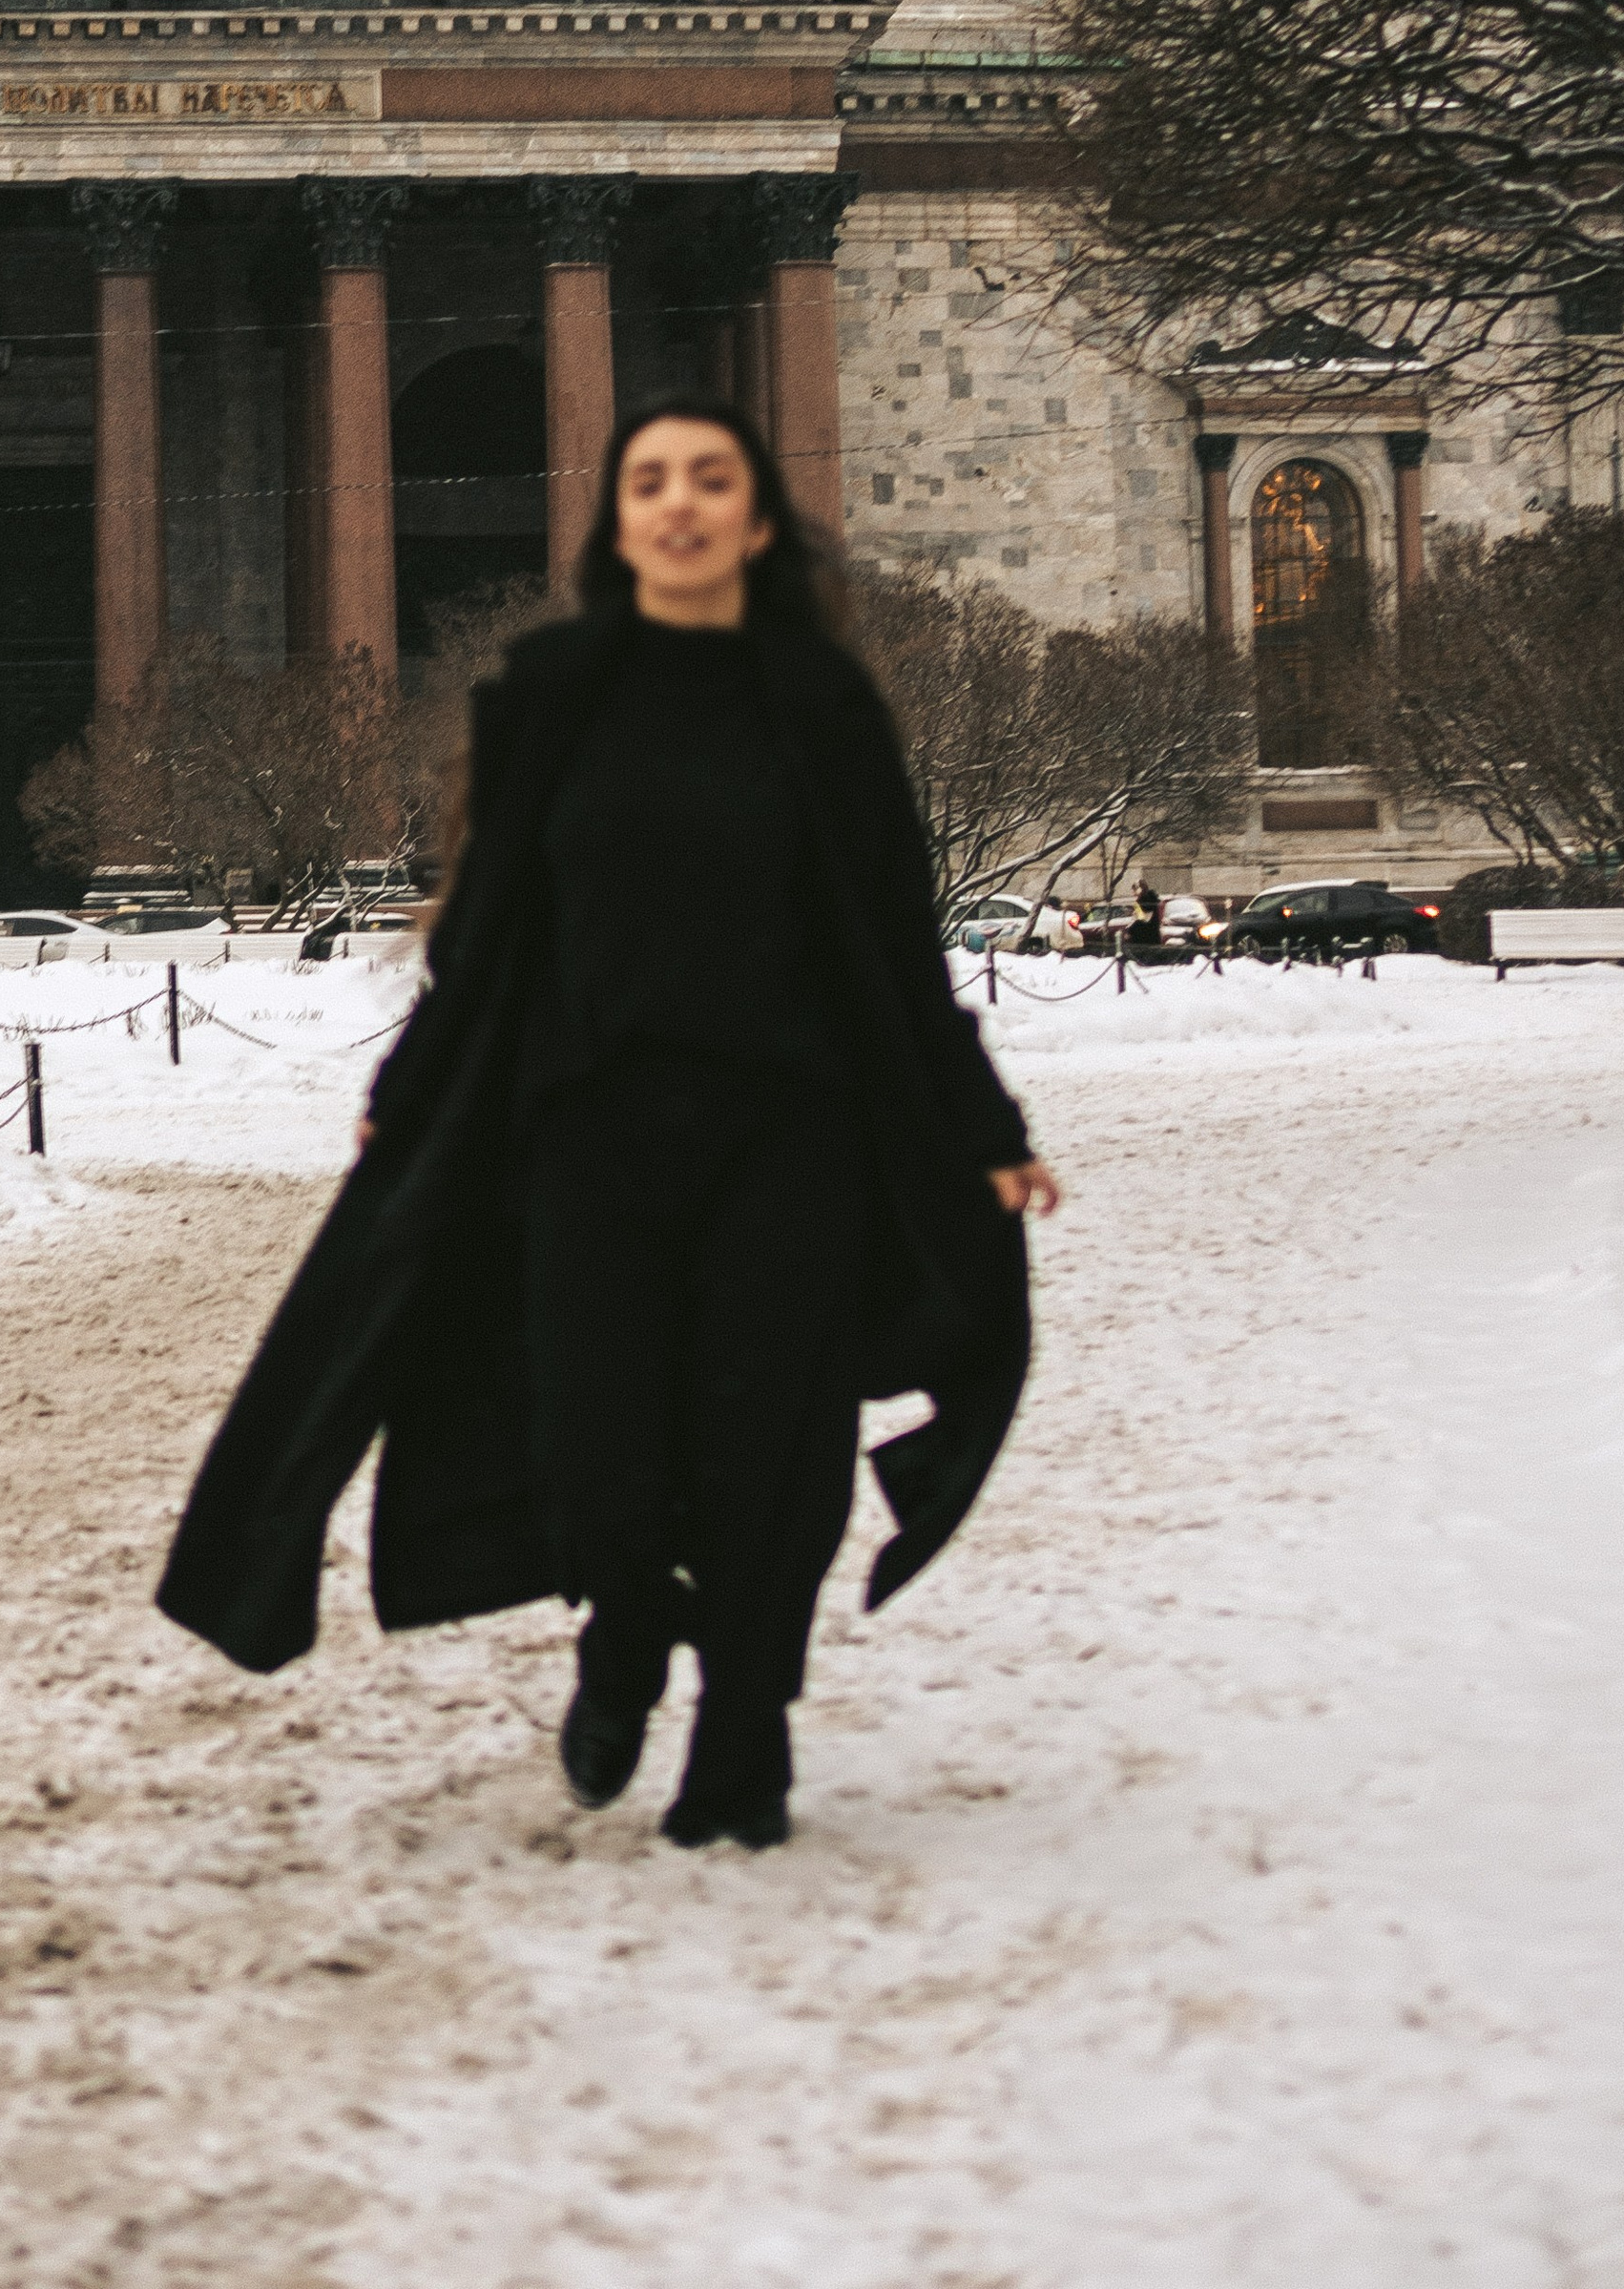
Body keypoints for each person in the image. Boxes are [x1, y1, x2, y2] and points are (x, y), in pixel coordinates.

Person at [159, 398, 1061, 1852]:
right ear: (619, 521)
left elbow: (894, 941)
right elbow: (495, 931)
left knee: (774, 1451)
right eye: (653, 481)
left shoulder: (822, 707)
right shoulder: (553, 692)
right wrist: (409, 1101)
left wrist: (985, 1129)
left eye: (714, 479)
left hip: (793, 1137)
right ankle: (629, 1630)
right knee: (599, 1440)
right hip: (591, 1134)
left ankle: (746, 1734)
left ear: (757, 522)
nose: (683, 503)